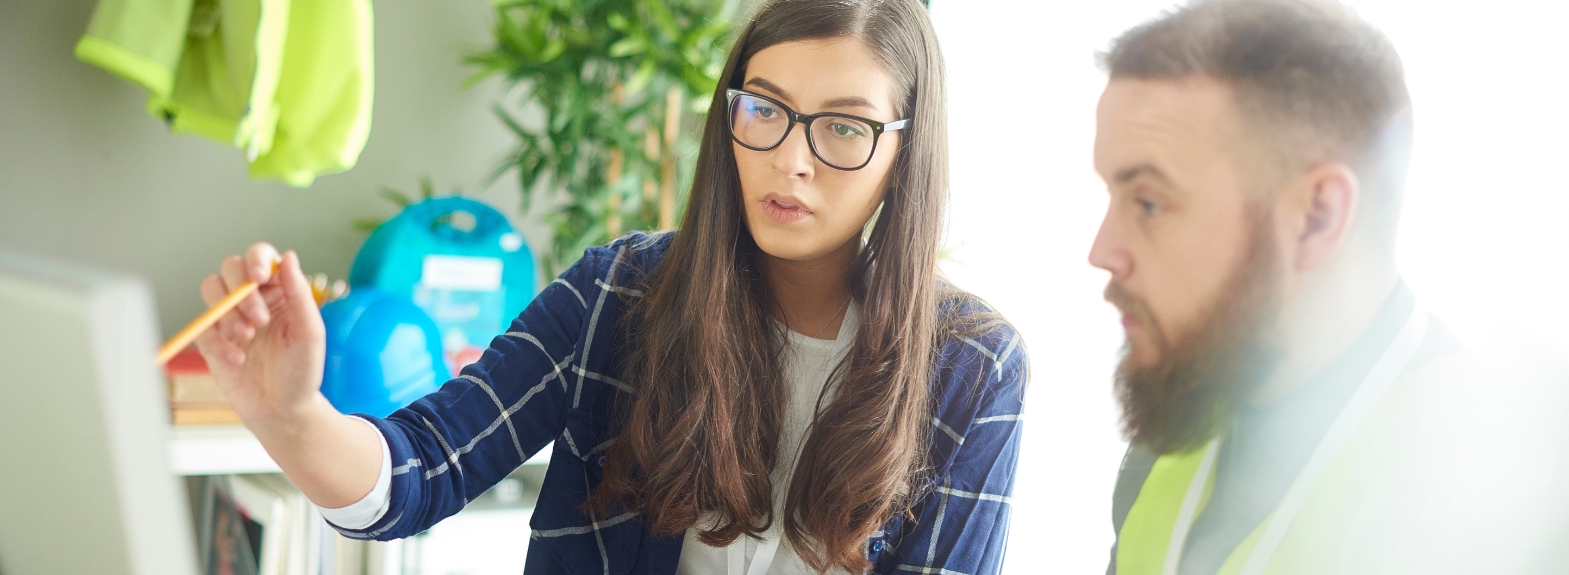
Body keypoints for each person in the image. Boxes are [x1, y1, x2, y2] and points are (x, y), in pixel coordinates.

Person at [194, 0, 1026, 573]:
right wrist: (290, 413)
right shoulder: (618, 294)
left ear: (904, 152)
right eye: (764, 109)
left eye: (844, 127)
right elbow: (421, 470)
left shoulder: (973, 367)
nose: (792, 158)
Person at [1089, 0, 1569, 573]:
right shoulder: (1169, 442)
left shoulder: (1510, 499)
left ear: (1316, 217)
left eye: (1148, 202)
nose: (1101, 251)